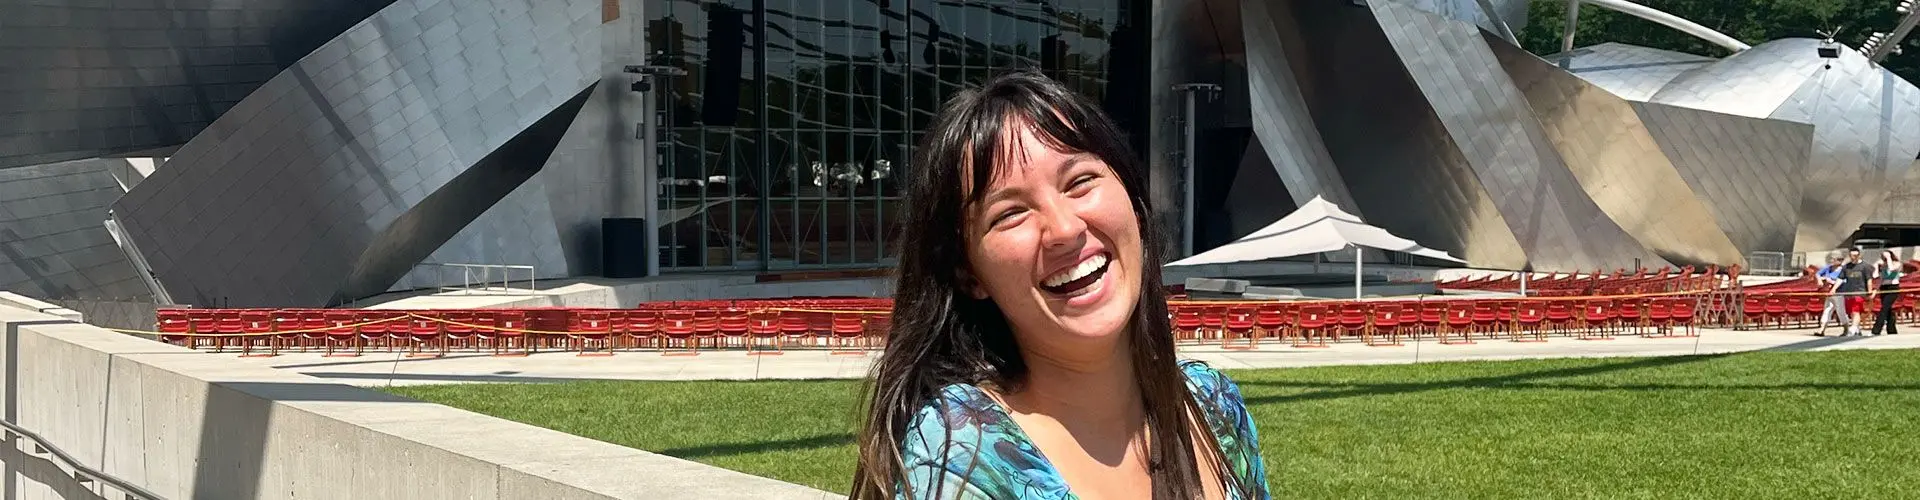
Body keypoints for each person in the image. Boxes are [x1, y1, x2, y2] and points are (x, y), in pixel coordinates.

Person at [849, 70, 1268, 500]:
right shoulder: (964, 455)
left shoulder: (1215, 407)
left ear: (1134, 204)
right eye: (1009, 214)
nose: (1064, 229)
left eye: (1080, 182)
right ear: (969, 275)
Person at [1837, 248, 1873, 336]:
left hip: (1860, 292)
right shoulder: (1846, 267)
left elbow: (1869, 280)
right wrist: (1833, 289)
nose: (1853, 257)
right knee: (1851, 312)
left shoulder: (1865, 266)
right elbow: (1840, 279)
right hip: (1848, 293)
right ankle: (1857, 329)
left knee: (1855, 311)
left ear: (1859, 255)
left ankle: (1852, 329)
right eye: (1852, 255)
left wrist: (1870, 291)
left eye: (1855, 255)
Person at [1815, 255, 1849, 336]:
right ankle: (1822, 329)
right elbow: (1818, 274)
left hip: (1839, 293)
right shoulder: (1828, 268)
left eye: (1836, 259)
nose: (1833, 261)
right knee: (1827, 310)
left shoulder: (1844, 269)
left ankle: (1846, 329)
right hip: (1828, 292)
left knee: (1840, 312)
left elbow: (1844, 280)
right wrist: (1820, 280)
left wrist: (1832, 282)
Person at [1872, 250, 1903, 335]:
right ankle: (1892, 330)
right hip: (1884, 287)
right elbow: (1881, 278)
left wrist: (1889, 258)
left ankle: (1876, 330)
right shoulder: (1883, 266)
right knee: (1888, 309)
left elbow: (1891, 269)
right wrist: (1876, 289)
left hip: (1893, 287)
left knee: (1884, 308)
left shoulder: (1897, 264)